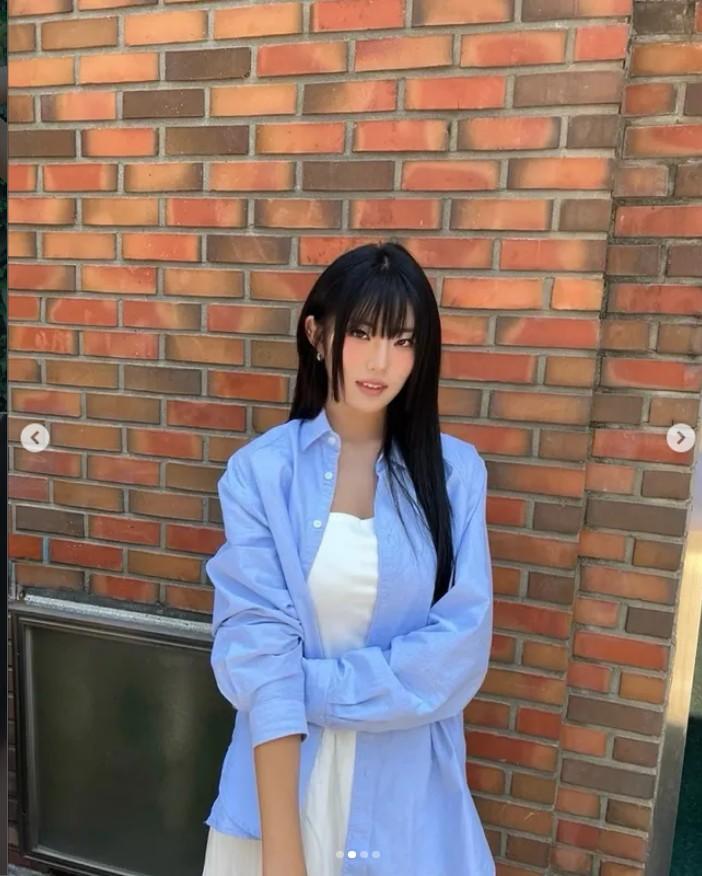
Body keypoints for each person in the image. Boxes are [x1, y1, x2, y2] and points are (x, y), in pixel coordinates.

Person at [201, 241, 495, 876]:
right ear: (316, 334)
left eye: (403, 340)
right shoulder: (261, 475)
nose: (380, 361)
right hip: (280, 792)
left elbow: (457, 655)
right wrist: (283, 854)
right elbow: (257, 644)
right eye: (361, 333)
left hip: (407, 803)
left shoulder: (456, 476)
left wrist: (301, 685)